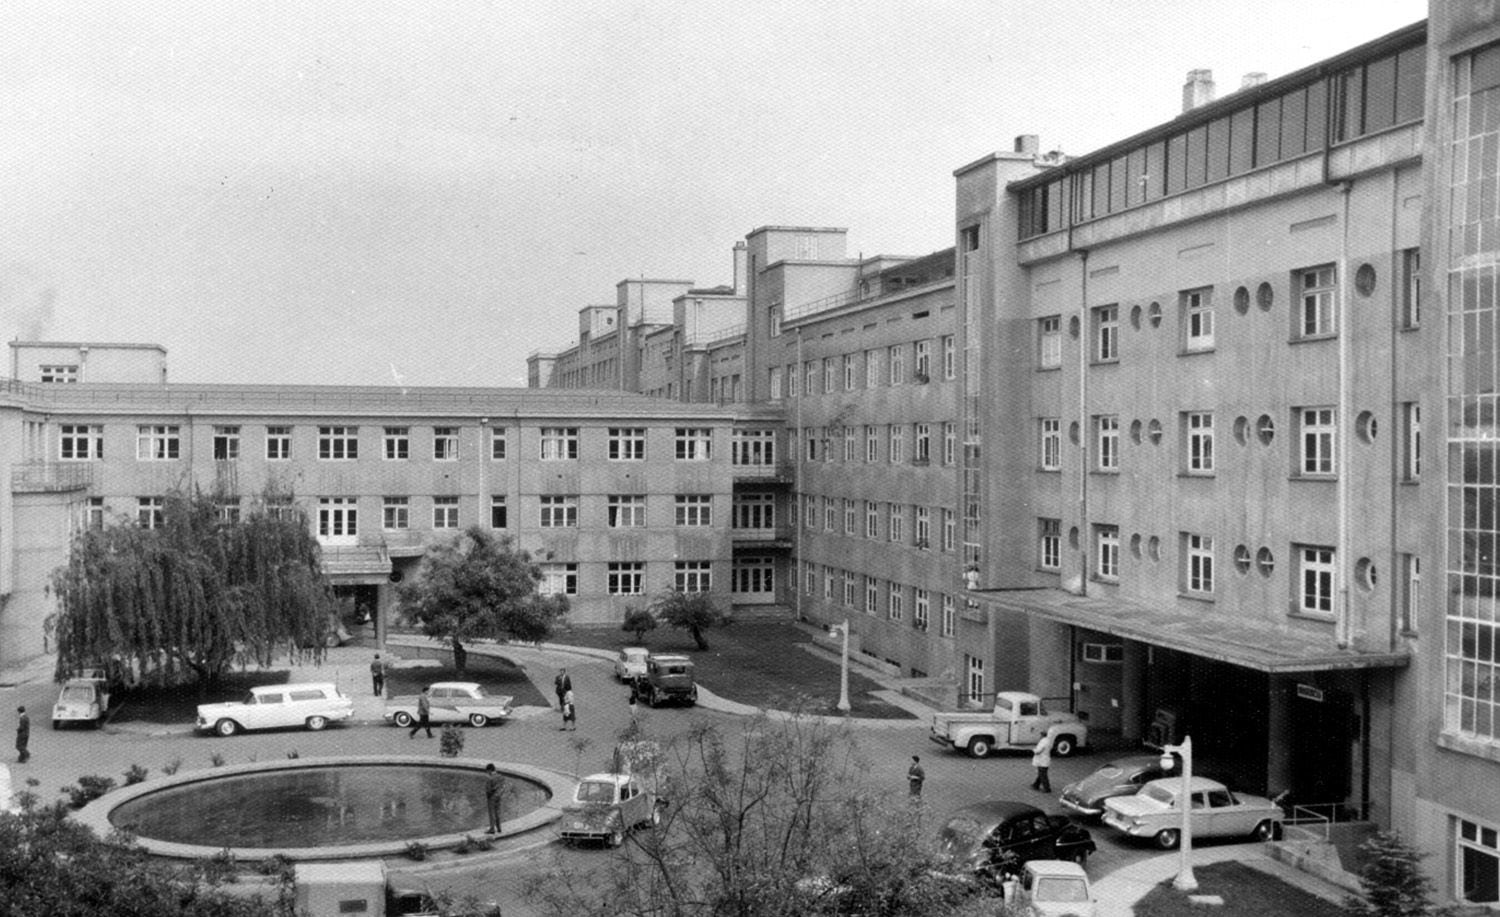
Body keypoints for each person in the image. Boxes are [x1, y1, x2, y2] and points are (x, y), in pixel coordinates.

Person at [484, 763, 504, 834]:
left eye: (487, 771)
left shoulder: (490, 778)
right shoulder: (501, 776)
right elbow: (503, 787)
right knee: (497, 812)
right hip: (499, 796)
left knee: (491, 813)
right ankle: (499, 828)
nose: (487, 773)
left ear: (489, 770)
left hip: (492, 797)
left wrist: (488, 796)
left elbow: (488, 790)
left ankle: (492, 829)